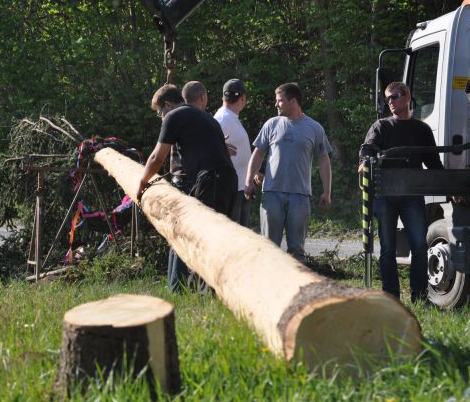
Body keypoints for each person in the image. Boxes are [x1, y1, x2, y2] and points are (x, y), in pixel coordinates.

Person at [137, 84, 237, 292]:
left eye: (159, 112)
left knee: (203, 238)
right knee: (210, 236)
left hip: (212, 179)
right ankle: (193, 290)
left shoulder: (174, 116)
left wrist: (142, 183)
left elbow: (157, 156)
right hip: (226, 179)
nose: (160, 117)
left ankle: (203, 293)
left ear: (167, 105)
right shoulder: (205, 117)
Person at [358, 81, 443, 303]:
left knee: (419, 246)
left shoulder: (422, 129)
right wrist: (364, 163)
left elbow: (434, 164)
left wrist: (451, 188)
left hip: (412, 196)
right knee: (388, 248)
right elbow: (367, 150)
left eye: (395, 96)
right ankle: (391, 298)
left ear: (407, 97)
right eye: (387, 99)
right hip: (385, 195)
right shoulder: (381, 126)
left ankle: (420, 297)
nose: (391, 102)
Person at [245, 82, 332, 260]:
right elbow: (258, 154)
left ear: (293, 101)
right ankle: (269, 286)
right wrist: (248, 182)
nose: (276, 105)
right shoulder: (271, 124)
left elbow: (323, 160)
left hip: (300, 196)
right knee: (269, 248)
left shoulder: (314, 128)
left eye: (280, 101)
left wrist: (327, 192)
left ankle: (296, 287)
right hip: (272, 194)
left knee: (297, 250)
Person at [214, 79, 251, 227]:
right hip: (230, 190)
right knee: (235, 236)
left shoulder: (229, 117)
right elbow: (210, 149)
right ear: (242, 98)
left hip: (239, 187)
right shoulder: (223, 118)